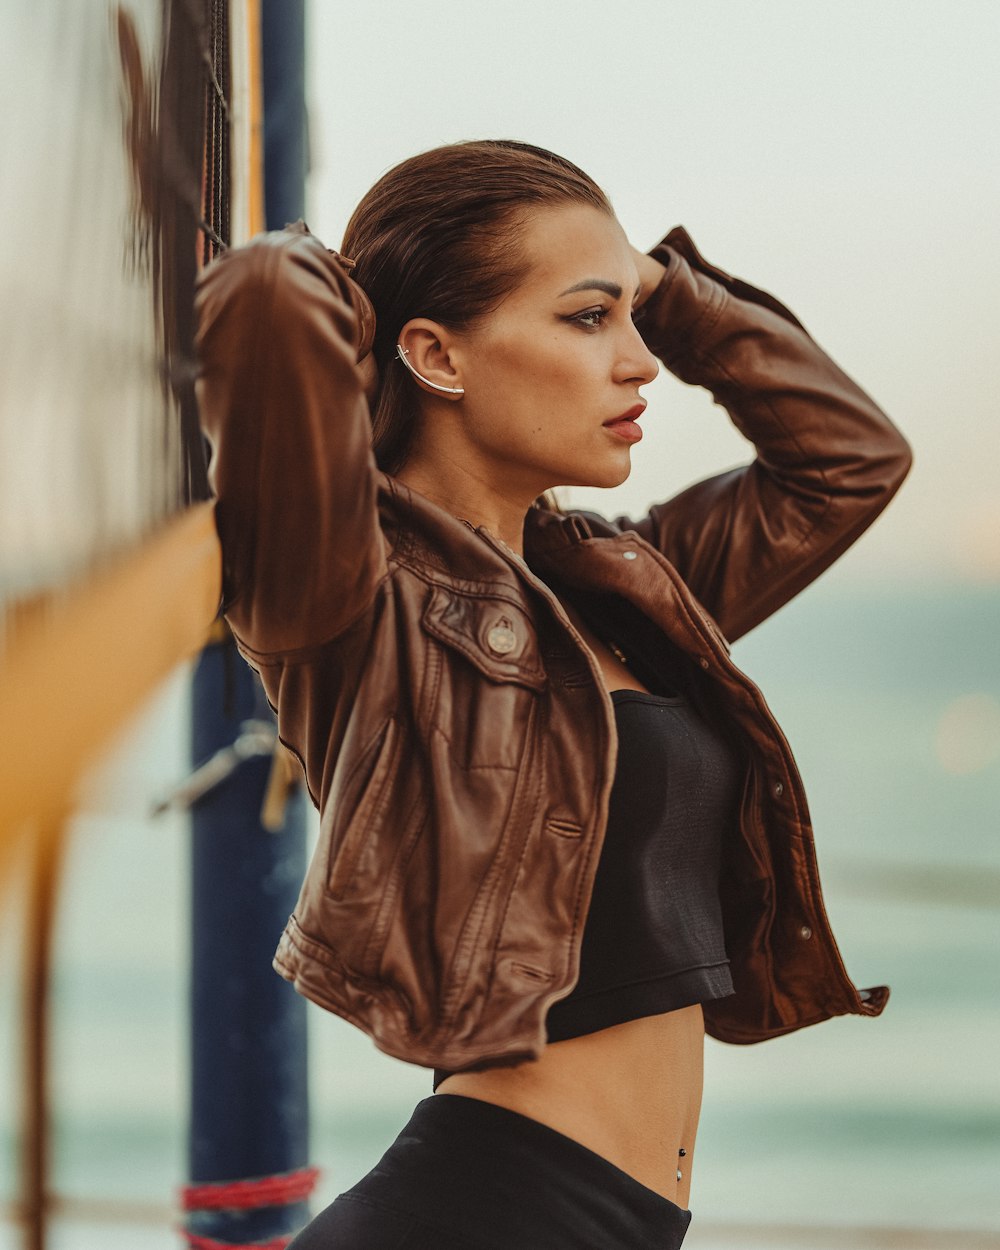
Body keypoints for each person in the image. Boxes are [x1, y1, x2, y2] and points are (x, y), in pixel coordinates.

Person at [194, 139, 911, 1249]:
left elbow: (848, 460)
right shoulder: (350, 603)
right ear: (434, 352)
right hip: (484, 1210)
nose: (639, 362)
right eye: (588, 318)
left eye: (629, 317)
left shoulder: (622, 585)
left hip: (612, 1220)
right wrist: (373, 287)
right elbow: (261, 297)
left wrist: (660, 283)